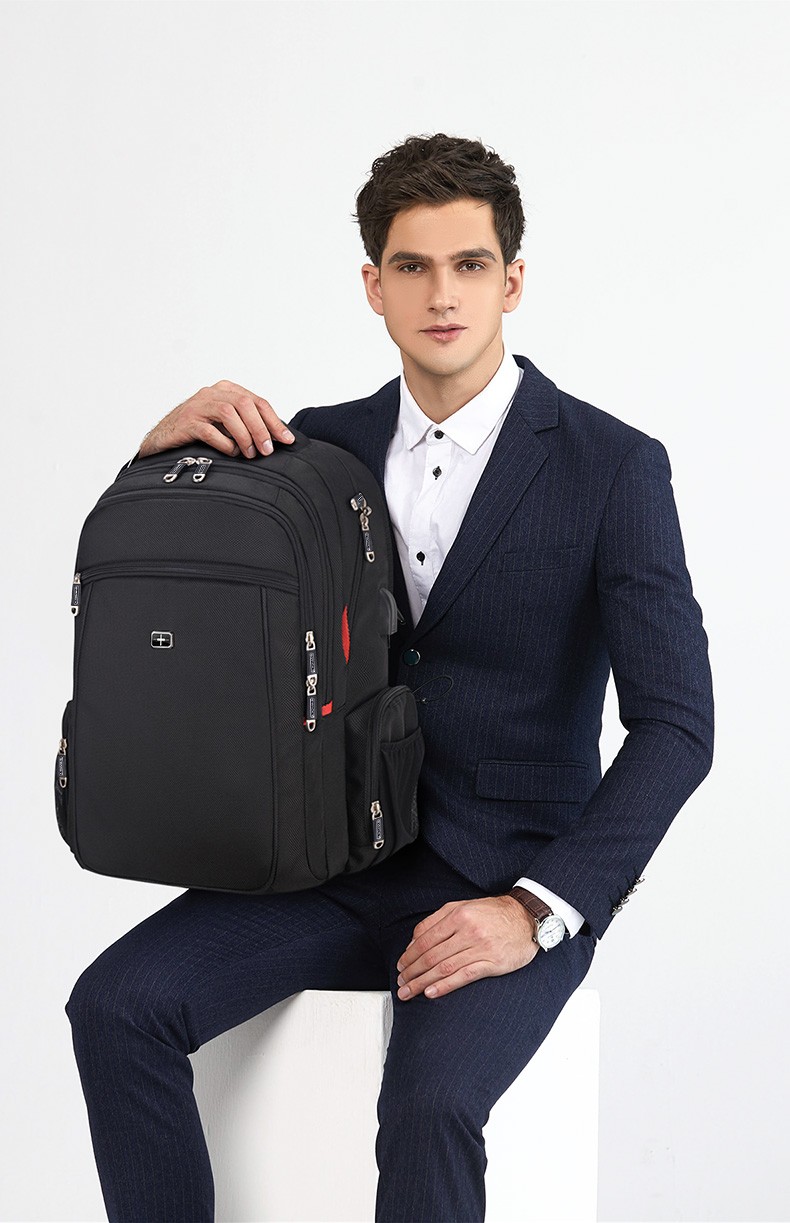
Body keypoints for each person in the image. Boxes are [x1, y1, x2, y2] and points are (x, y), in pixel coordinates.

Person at [65, 132, 714, 1223]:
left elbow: (677, 726)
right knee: (116, 1006)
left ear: (513, 280)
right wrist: (158, 458)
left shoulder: (613, 467)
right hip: (325, 866)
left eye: (469, 264)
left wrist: (537, 908)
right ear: (373, 285)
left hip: (504, 878)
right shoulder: (315, 448)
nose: (441, 294)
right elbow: (170, 590)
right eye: (412, 266)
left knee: (429, 1107)